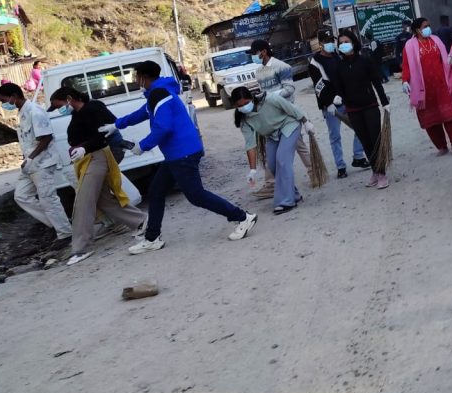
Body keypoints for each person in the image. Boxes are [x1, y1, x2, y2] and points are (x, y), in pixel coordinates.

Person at [99, 61, 257, 254]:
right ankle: (152, 238)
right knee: (156, 191)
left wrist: (143, 146)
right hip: (177, 153)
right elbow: (142, 113)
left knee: (196, 196)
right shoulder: (158, 93)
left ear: (143, 77)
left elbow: (164, 127)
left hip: (182, 153)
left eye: (135, 76)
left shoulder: (159, 94)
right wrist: (116, 125)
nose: (134, 80)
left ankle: (242, 217)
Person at [49, 88, 147, 265]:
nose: (59, 110)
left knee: (83, 202)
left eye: (59, 106)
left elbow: (104, 132)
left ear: (69, 98)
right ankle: (141, 221)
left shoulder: (93, 108)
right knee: (104, 200)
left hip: (97, 157)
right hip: (86, 159)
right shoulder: (77, 113)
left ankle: (80, 248)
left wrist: (84, 147)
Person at [0, 83, 72, 246]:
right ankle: (56, 224)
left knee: (48, 199)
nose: (3, 104)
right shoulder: (23, 112)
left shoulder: (35, 111)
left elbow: (46, 138)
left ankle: (65, 233)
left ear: (14, 96)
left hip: (42, 162)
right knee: (21, 196)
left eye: (4, 100)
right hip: (30, 164)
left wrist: (31, 158)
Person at [231, 86, 311, 214]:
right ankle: (294, 195)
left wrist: (306, 122)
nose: (244, 107)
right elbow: (250, 144)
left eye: (246, 103)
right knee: (273, 166)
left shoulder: (270, 99)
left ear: (251, 98)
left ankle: (286, 202)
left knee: (282, 160)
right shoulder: (244, 119)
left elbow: (291, 109)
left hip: (289, 126)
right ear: (236, 106)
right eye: (240, 105)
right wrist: (252, 170)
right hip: (271, 135)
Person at [249, 39, 312, 198]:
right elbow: (263, 93)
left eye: (255, 53)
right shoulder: (259, 71)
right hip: (270, 116)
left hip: (287, 114)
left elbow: (289, 89)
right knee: (273, 151)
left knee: (299, 146)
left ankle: (314, 173)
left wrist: (270, 96)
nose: (253, 56)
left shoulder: (282, 66)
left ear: (263, 51)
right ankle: (271, 184)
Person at [329, 30, 390, 188]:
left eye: (346, 42)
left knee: (375, 140)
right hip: (353, 110)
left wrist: (384, 102)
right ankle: (375, 171)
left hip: (370, 106)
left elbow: (376, 82)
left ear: (353, 42)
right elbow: (338, 86)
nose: (344, 45)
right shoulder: (339, 66)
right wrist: (337, 97)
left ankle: (382, 172)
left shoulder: (365, 60)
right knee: (365, 141)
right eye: (341, 43)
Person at [307, 30, 370, 178]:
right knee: (335, 136)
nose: (330, 43)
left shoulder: (338, 56)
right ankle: (340, 166)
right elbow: (318, 86)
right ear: (320, 43)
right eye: (326, 41)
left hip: (346, 100)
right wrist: (328, 103)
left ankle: (358, 156)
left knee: (360, 128)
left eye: (331, 40)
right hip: (331, 106)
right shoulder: (315, 63)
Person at [402, 17, 452, 154]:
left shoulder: (436, 40)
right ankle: (441, 146)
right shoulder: (409, 46)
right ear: (417, 30)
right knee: (431, 118)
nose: (428, 28)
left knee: (451, 114)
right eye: (425, 27)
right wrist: (405, 80)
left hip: (442, 84)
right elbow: (406, 65)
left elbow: (445, 58)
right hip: (424, 89)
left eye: (428, 25)